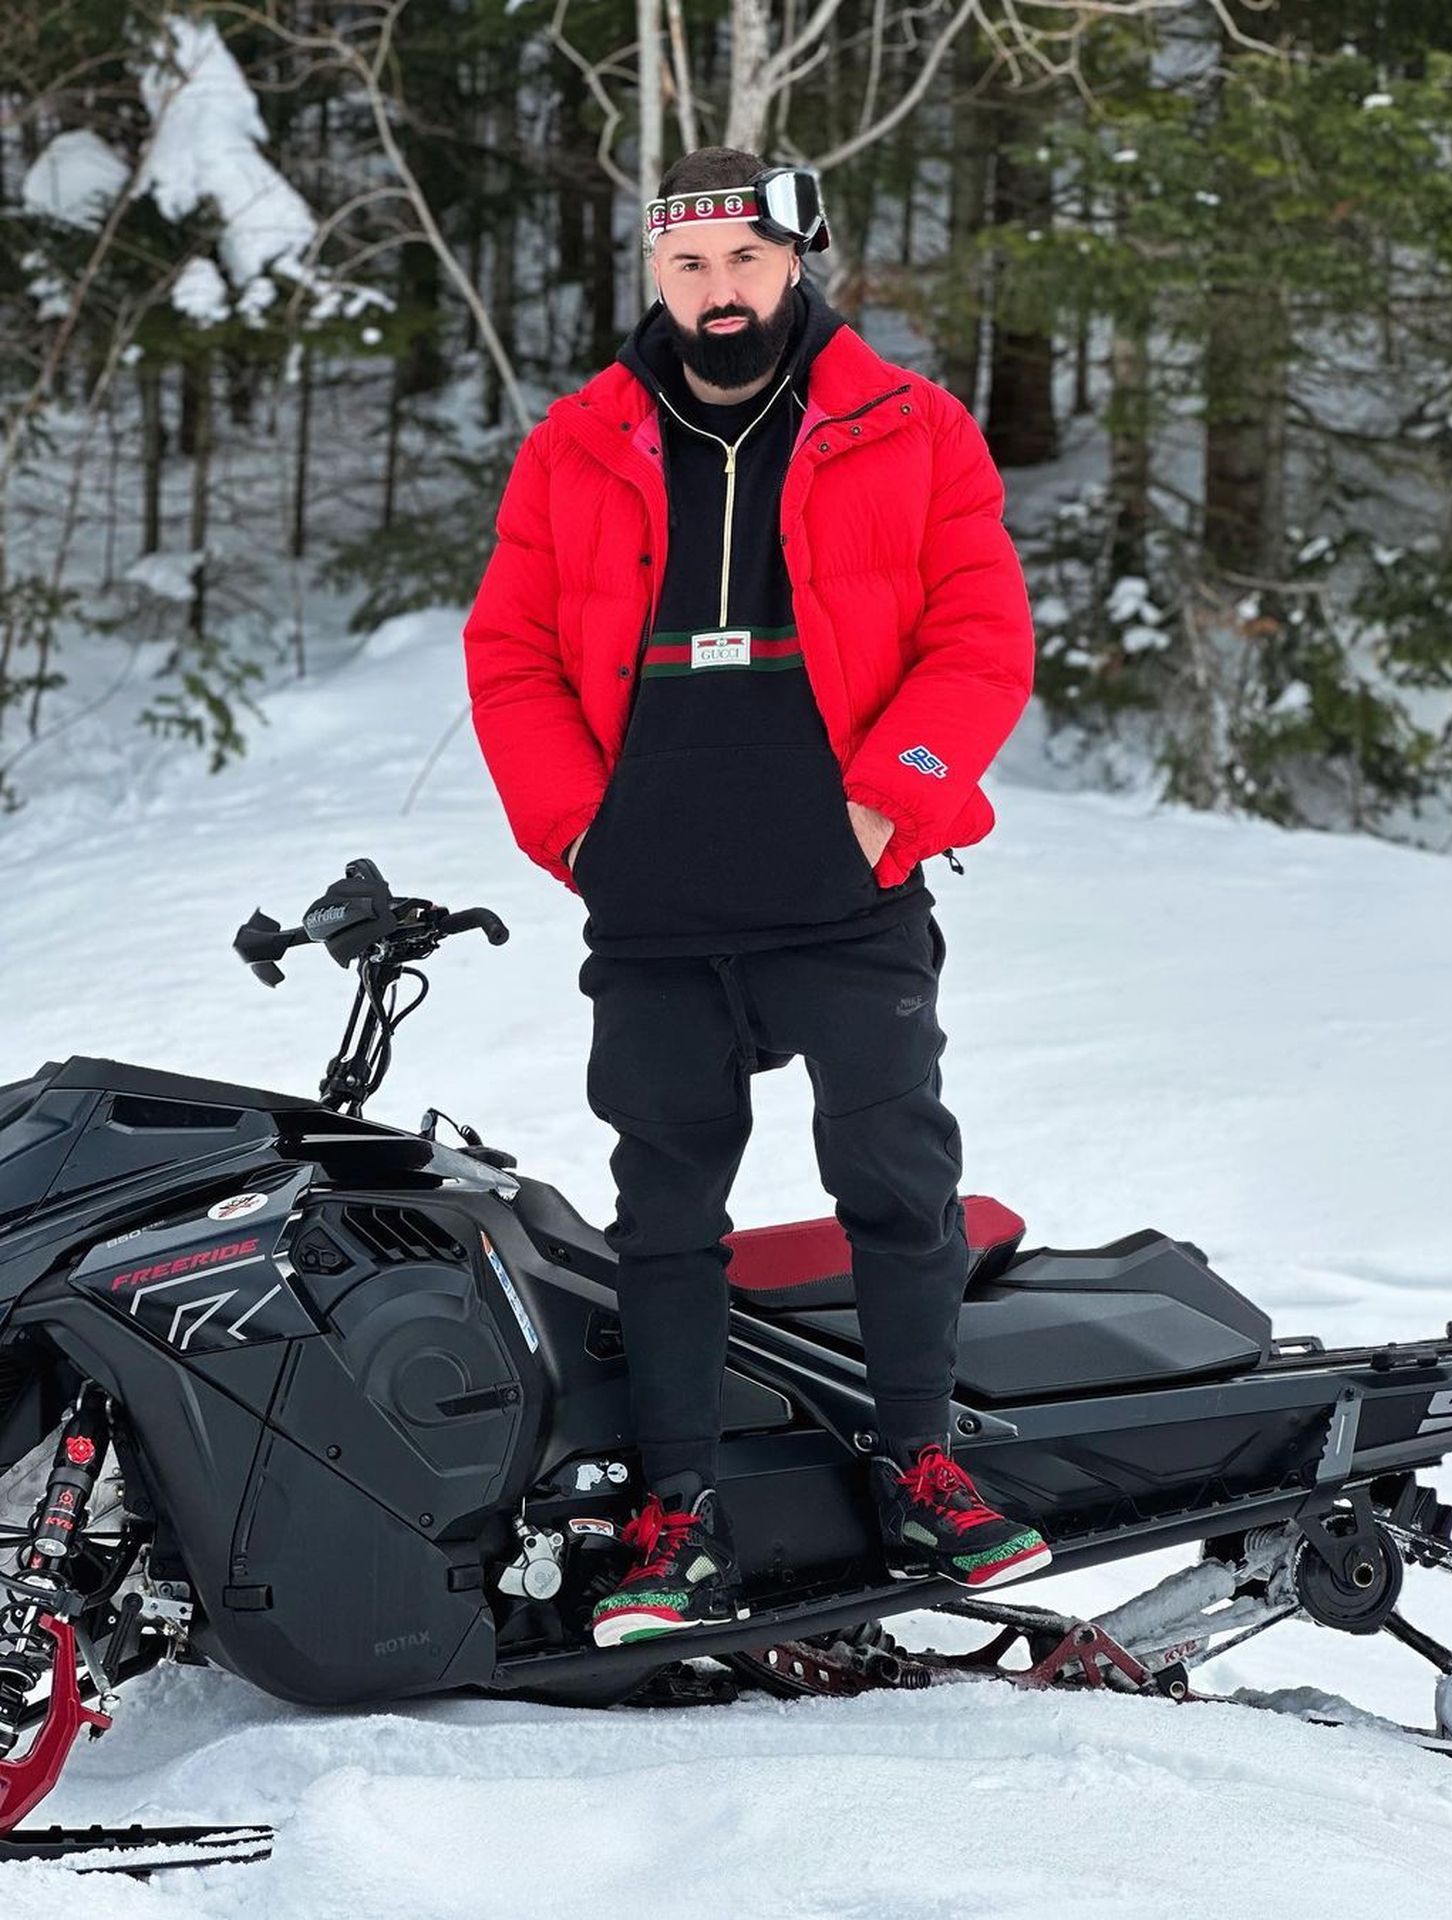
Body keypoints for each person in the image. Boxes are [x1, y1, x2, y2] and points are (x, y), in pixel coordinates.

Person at [464, 146, 1052, 1649]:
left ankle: (921, 1461)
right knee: (664, 1214)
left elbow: (982, 634)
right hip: (658, 908)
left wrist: (892, 802)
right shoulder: (578, 444)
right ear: (656, 276)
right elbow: (510, 652)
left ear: (798, 259)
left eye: (742, 261)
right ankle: (676, 1513)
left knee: (896, 1175)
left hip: (843, 891)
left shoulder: (909, 426)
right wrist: (580, 834)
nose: (718, 292)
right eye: (688, 267)